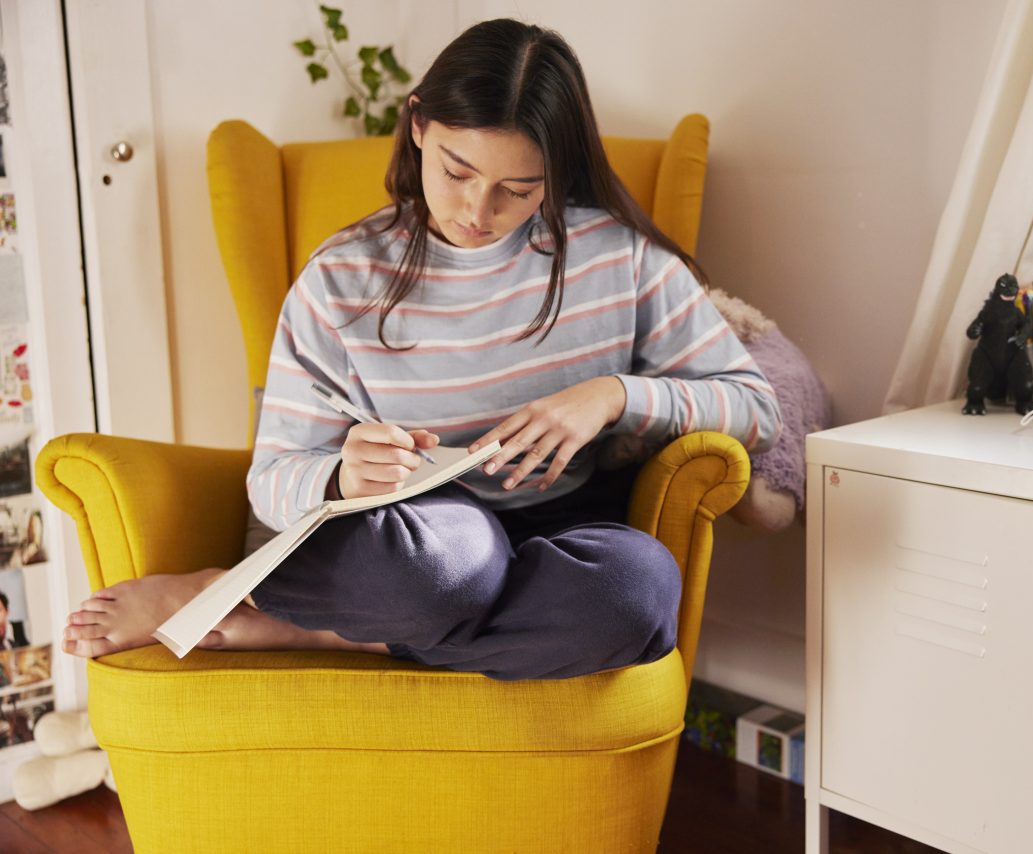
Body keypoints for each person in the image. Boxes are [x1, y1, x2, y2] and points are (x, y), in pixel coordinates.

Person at [62, 19, 781, 679]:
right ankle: (264, 594)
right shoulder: (343, 278)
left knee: (637, 595)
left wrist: (614, 396)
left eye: (517, 189)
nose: (477, 211)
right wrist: (344, 476)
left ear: (553, 172)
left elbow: (757, 410)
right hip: (411, 541)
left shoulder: (618, 261)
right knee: (453, 568)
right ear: (417, 126)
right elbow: (274, 475)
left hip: (561, 530)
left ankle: (314, 630)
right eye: (457, 171)